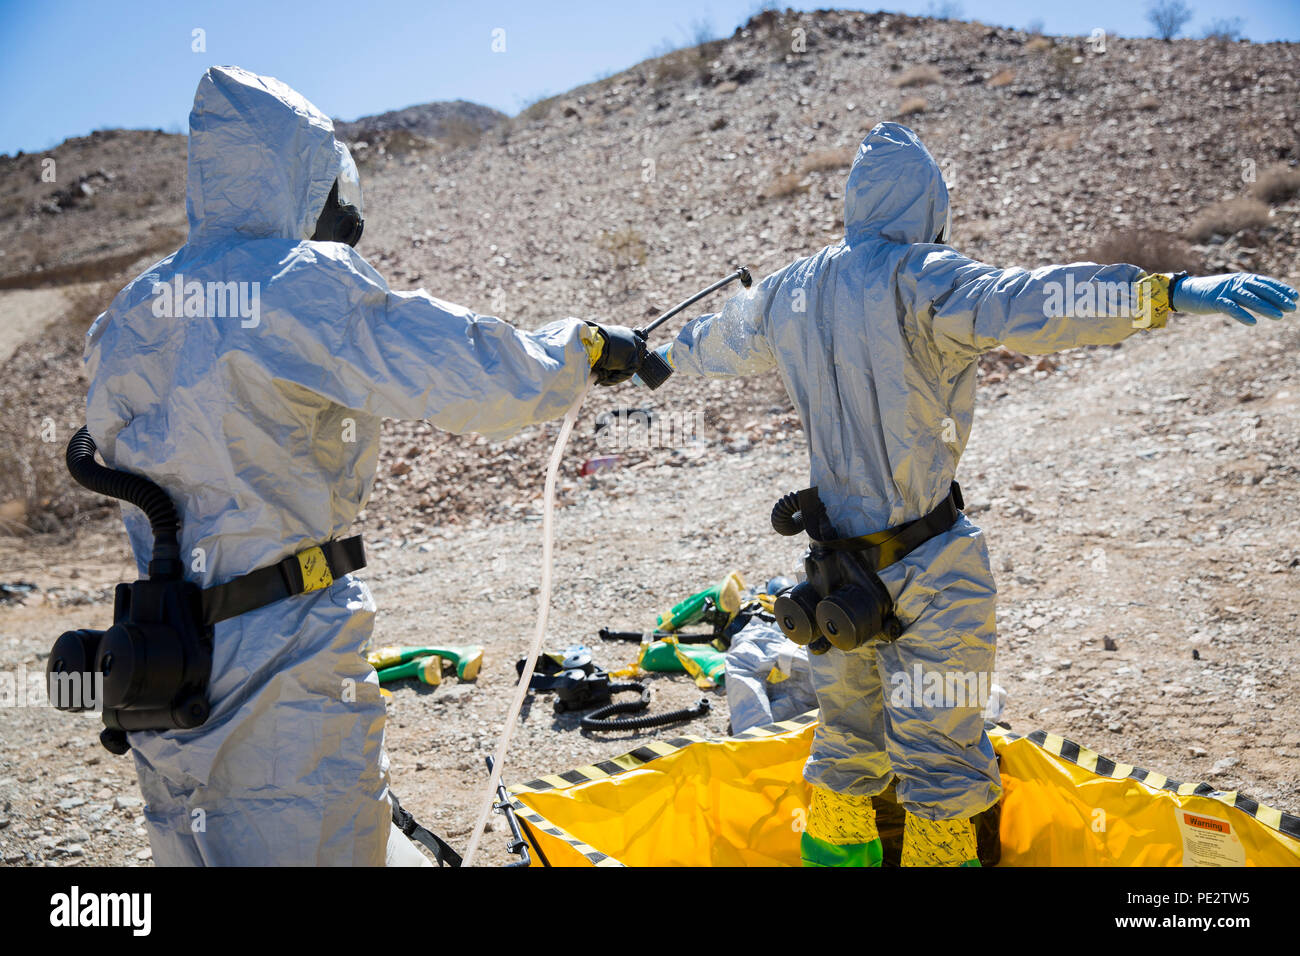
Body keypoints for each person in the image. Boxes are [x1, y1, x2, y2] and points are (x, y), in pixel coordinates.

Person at [653, 121, 1297, 867]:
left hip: (833, 579)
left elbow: (715, 339)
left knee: (844, 756)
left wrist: (658, 355)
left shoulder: (792, 289)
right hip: (927, 569)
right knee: (944, 776)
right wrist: (1168, 292)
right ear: (928, 204)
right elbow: (1038, 302)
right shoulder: (925, 276)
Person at [82, 65, 647, 866]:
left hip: (161, 654)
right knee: (311, 834)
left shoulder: (136, 307)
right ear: (297, 174)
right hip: (285, 645)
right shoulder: (296, 283)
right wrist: (581, 348)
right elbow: (476, 374)